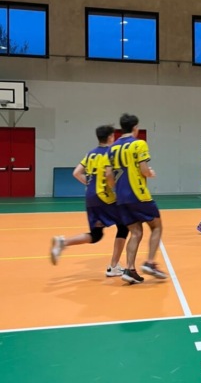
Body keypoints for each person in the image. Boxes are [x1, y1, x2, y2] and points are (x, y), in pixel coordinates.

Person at [50, 125, 128, 275]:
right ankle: (114, 266)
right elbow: (108, 175)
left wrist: (90, 184)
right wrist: (115, 188)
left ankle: (63, 242)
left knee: (96, 235)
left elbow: (76, 173)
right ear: (110, 137)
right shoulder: (110, 153)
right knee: (124, 225)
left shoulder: (91, 154)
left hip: (90, 197)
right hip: (104, 196)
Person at [106, 113, 167, 284]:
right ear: (135, 128)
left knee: (135, 232)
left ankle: (130, 269)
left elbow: (109, 175)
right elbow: (144, 169)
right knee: (156, 226)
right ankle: (150, 262)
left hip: (121, 197)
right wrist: (150, 173)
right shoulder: (139, 144)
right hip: (138, 194)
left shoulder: (112, 148)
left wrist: (117, 189)